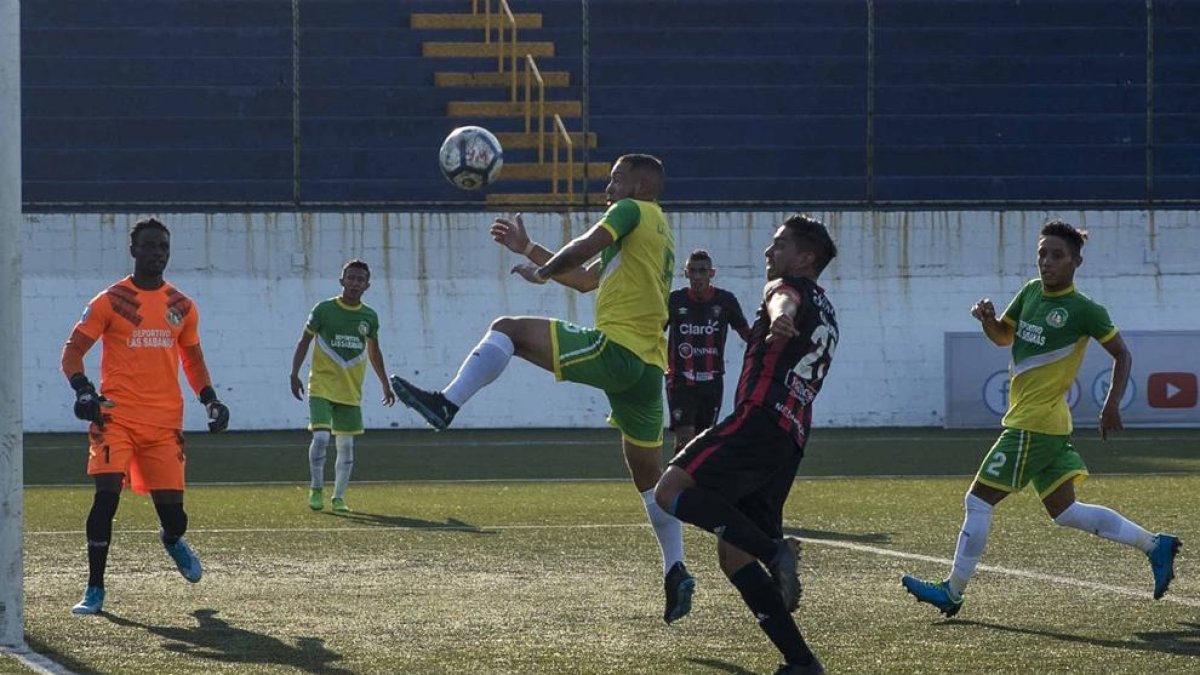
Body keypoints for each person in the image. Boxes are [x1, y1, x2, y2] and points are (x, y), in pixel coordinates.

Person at [389, 154, 696, 624]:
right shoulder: (658, 230)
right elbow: (589, 279)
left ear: (638, 183)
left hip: (618, 351)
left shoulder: (629, 211)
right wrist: (533, 251)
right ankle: (676, 569)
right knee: (649, 482)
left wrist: (545, 269)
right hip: (650, 371)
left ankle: (446, 403)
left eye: (614, 178)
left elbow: (579, 249)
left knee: (508, 329)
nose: (607, 186)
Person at [901, 219, 1181, 617]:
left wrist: (1111, 403)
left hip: (1033, 426)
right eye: (1042, 254)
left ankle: (953, 590)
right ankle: (1155, 545)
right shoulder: (1031, 292)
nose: (1046, 263)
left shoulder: (1084, 310)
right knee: (1066, 511)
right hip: (1045, 426)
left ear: (1075, 262)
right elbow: (1004, 337)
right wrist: (988, 320)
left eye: (1057, 256)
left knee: (978, 500)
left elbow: (1122, 353)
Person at [654, 215, 838, 675]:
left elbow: (783, 300)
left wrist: (780, 320)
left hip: (759, 419)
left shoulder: (788, 288)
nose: (768, 253)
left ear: (805, 257)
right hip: (790, 439)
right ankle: (802, 662)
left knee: (669, 490)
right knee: (733, 553)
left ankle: (776, 551)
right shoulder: (829, 309)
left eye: (778, 245)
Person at [61, 217, 230, 616]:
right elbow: (72, 352)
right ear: (133, 249)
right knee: (105, 500)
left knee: (175, 516)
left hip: (164, 423)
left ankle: (172, 539)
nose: (157, 253)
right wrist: (84, 390)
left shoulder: (182, 306)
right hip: (114, 419)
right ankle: (95, 588)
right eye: (150, 246)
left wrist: (210, 399)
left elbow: (192, 359)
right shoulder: (111, 300)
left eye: (163, 247)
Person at [289, 259, 396, 513]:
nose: (355, 283)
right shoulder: (324, 310)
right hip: (321, 385)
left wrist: (384, 383)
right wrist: (294, 373)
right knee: (322, 436)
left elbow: (374, 351)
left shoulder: (369, 316)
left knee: (346, 445)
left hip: (350, 389)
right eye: (351, 278)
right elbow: (304, 341)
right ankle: (316, 489)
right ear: (342, 281)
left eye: (360, 279)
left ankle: (338, 497)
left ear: (367, 285)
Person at [665, 249, 751, 452]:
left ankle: (697, 483)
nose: (697, 276)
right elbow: (653, 332)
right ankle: (679, 484)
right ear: (685, 273)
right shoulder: (674, 300)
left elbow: (746, 333)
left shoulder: (725, 300)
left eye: (702, 271)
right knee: (684, 439)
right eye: (692, 271)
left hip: (711, 381)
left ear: (711, 273)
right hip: (680, 380)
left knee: (704, 441)